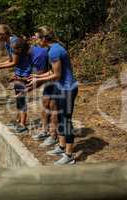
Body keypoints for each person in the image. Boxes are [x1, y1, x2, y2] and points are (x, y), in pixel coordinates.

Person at [27, 27, 78, 165]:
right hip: (61, 87)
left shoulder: (54, 51)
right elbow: (52, 72)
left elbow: (57, 75)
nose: (36, 41)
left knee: (66, 120)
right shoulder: (53, 49)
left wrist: (39, 80)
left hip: (67, 89)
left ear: (44, 39)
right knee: (61, 117)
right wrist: (38, 75)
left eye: (38, 38)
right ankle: (62, 147)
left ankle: (69, 156)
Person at [0, 25, 31, 133]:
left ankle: (23, 124)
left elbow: (14, 62)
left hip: (25, 72)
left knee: (21, 98)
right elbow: (10, 59)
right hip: (19, 71)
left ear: (6, 33)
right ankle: (19, 121)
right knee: (18, 97)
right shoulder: (7, 43)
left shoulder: (14, 42)